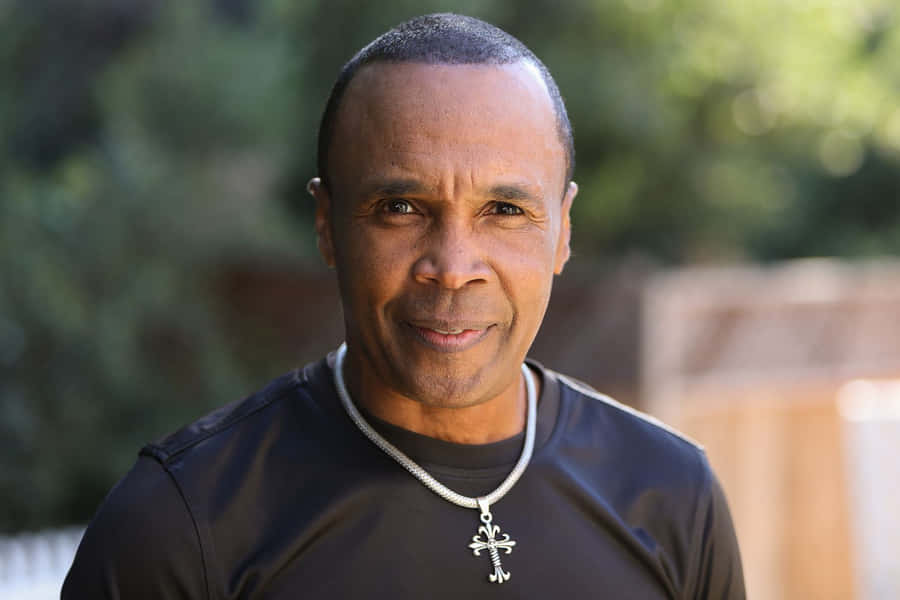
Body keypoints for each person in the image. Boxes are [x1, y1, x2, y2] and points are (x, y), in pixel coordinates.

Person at [63, 13, 745, 599]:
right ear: (327, 224)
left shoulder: (672, 495)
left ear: (562, 231)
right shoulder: (182, 526)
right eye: (401, 208)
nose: (452, 269)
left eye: (504, 210)